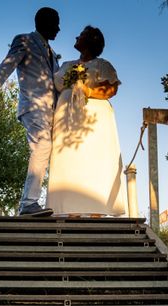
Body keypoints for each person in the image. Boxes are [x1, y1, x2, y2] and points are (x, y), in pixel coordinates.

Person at [0, 7, 60, 217]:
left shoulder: (53, 54)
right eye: (56, 23)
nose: (59, 28)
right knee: (42, 146)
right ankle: (28, 203)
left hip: (52, 112)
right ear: (44, 23)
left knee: (48, 153)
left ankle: (43, 202)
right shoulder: (24, 40)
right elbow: (8, 64)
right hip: (32, 106)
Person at [45, 26, 127, 217]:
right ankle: (69, 210)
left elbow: (111, 89)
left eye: (81, 35)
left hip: (95, 118)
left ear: (91, 41)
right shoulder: (66, 65)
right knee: (68, 159)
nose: (76, 36)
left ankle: (97, 211)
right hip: (66, 116)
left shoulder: (102, 64)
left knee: (94, 159)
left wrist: (88, 91)